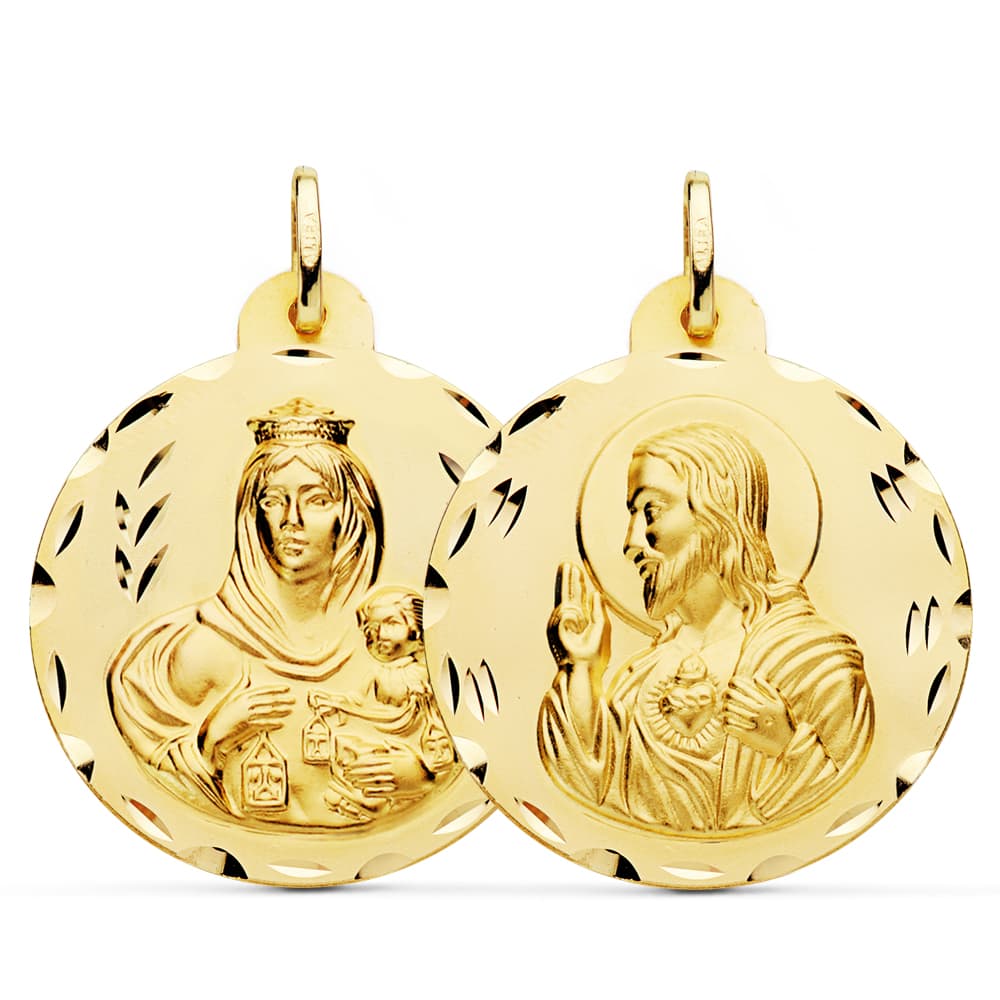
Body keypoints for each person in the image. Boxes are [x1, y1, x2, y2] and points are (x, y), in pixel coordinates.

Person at [108, 398, 445, 829]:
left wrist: (416, 779)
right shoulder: (188, 652)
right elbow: (161, 772)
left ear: (354, 516)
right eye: (273, 500)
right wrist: (213, 737)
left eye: (317, 500)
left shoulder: (402, 642)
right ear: (251, 517)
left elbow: (448, 754)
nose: (292, 519)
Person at [539, 422, 873, 831]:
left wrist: (788, 745)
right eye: (632, 515)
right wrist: (580, 669)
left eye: (651, 511)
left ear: (718, 512)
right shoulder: (639, 677)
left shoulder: (813, 664)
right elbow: (587, 794)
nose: (631, 543)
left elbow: (842, 805)